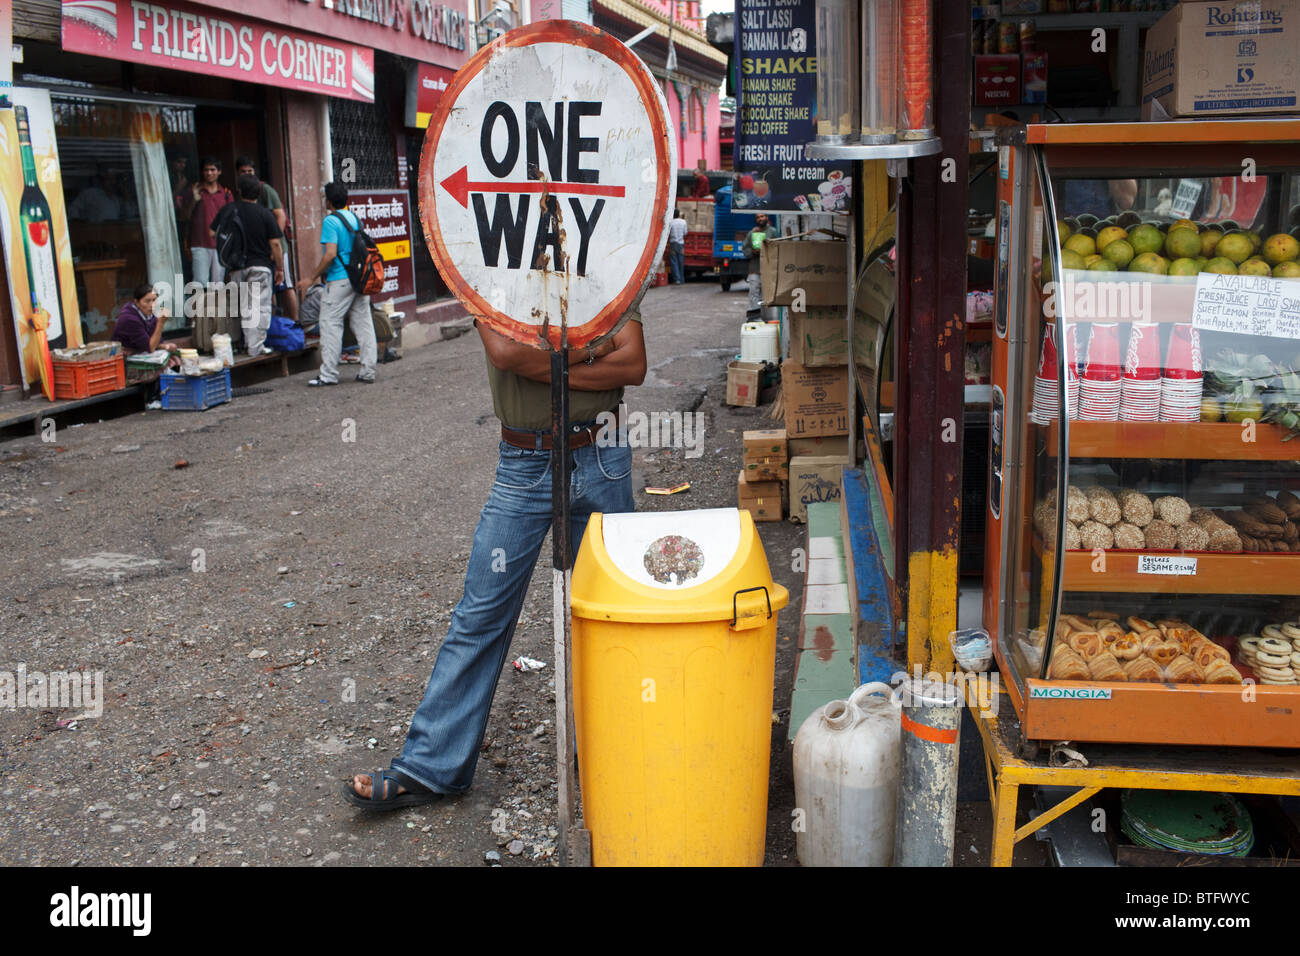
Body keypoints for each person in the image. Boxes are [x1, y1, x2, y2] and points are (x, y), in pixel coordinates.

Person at [342, 309, 647, 810]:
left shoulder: (605, 263)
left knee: (615, 615)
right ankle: (430, 767)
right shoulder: (490, 268)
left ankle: (613, 754)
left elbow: (632, 363)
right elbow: (506, 353)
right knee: (481, 615)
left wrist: (546, 362)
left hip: (603, 457)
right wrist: (596, 349)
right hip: (524, 463)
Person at [296, 182, 376, 386]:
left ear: (328, 201)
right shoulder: (354, 218)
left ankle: (328, 375)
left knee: (330, 324)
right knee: (363, 324)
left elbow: (330, 254)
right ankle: (368, 371)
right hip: (358, 278)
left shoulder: (331, 221)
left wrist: (311, 278)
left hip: (339, 279)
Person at [210, 174, 283, 357]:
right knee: (258, 307)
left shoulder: (228, 210)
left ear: (239, 191)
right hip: (260, 265)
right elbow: (275, 244)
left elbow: (212, 232)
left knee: (243, 306)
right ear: (259, 192)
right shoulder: (264, 213)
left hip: (236, 266)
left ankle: (244, 343)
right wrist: (280, 268)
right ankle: (255, 347)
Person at [236, 155, 299, 324]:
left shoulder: (265, 189)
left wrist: (273, 243)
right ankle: (272, 324)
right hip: (259, 251)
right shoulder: (240, 194)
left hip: (276, 247)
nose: (247, 174)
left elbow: (280, 216)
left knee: (285, 285)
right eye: (243, 172)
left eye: (250, 171)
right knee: (267, 289)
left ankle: (295, 322)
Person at [176, 157, 233, 284]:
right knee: (200, 283)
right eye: (206, 170)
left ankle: (215, 305)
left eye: (212, 170)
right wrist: (194, 200)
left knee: (217, 284)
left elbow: (231, 221)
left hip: (220, 245)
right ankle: (201, 305)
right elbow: (184, 217)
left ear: (219, 172)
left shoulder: (226, 193)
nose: (209, 173)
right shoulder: (194, 190)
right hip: (199, 244)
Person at [110, 283, 179, 367]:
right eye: (147, 301)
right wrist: (160, 323)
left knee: (175, 359)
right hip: (122, 359)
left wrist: (165, 346)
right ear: (137, 302)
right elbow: (150, 347)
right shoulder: (129, 319)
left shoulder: (150, 314)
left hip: (141, 352)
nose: (152, 305)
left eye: (154, 300)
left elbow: (155, 340)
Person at [743, 213, 776, 319]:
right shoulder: (752, 233)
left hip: (769, 269)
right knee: (753, 293)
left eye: (762, 216)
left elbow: (778, 247)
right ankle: (754, 316)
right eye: (758, 217)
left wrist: (766, 250)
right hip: (755, 268)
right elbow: (745, 249)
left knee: (767, 294)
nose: (760, 219)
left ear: (767, 217)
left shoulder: (773, 232)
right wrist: (753, 252)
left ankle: (768, 317)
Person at [666, 208, 688, 284]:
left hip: (673, 243)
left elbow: (668, 232)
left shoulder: (671, 222)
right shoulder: (683, 222)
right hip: (681, 244)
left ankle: (677, 279)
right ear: (679, 214)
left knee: (674, 261)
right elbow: (685, 233)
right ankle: (682, 279)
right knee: (681, 261)